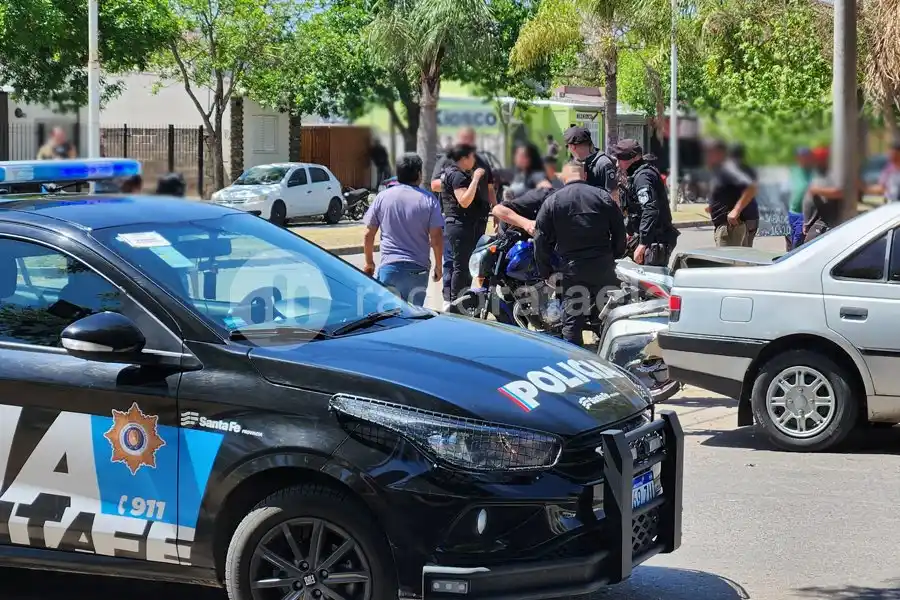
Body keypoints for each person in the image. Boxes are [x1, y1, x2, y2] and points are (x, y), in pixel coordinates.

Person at [534, 161, 626, 347]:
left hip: (573, 270)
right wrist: (614, 256)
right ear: (584, 175)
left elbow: (540, 240)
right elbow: (619, 231)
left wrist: (546, 272)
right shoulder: (603, 196)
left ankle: (575, 359)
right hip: (603, 267)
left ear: (562, 177)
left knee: (572, 321)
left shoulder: (553, 201)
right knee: (610, 315)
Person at [363, 153, 443, 306]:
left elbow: (368, 234)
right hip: (418, 269)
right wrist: (438, 265)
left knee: (388, 317)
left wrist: (369, 262)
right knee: (413, 318)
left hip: (390, 268)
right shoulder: (428, 200)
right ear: (419, 174)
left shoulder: (382, 197)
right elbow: (436, 237)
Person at [431, 128, 495, 309]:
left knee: (470, 262)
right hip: (458, 220)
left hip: (478, 219)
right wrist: (461, 182)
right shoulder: (449, 163)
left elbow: (490, 187)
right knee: (455, 262)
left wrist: (495, 210)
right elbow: (436, 184)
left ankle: (463, 300)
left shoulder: (482, 160)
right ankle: (452, 301)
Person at [612, 139, 679, 266]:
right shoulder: (636, 175)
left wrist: (643, 243)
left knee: (650, 281)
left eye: (621, 158)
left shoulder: (643, 177)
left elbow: (650, 209)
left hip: (655, 241)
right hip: (647, 238)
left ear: (634, 158)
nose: (617, 163)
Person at [440, 144, 489, 301]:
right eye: (472, 156)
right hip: (461, 227)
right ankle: (458, 304)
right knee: (462, 267)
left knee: (463, 267)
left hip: (462, 226)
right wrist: (475, 178)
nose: (474, 159)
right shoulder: (457, 176)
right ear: (464, 158)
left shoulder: (453, 173)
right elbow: (464, 201)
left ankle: (460, 301)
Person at [703, 139, 758, 247]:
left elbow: (751, 187)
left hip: (731, 226)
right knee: (740, 261)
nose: (707, 156)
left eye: (710, 153)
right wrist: (713, 206)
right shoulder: (723, 169)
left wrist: (736, 211)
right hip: (729, 224)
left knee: (729, 262)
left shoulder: (730, 168)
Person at [562, 126, 618, 198]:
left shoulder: (603, 164)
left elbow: (613, 196)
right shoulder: (574, 163)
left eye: (567, 147)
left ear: (572, 147)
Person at [803, 146, 842, 243]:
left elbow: (839, 192)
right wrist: (807, 223)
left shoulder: (832, 174)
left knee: (808, 249)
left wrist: (817, 190)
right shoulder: (817, 173)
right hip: (813, 222)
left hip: (824, 222)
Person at [729, 143, 760, 247]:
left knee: (739, 252)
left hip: (741, 217)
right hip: (752, 215)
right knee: (748, 250)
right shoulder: (750, 169)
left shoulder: (733, 171)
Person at [787, 147, 815, 250]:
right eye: (800, 157)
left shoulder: (814, 172)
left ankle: (793, 261)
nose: (802, 159)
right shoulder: (793, 170)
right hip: (791, 212)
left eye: (805, 157)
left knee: (798, 242)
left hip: (803, 214)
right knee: (790, 239)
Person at [866, 139, 900, 204]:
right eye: (891, 153)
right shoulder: (888, 169)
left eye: (895, 154)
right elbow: (882, 187)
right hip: (892, 203)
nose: (892, 156)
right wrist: (864, 188)